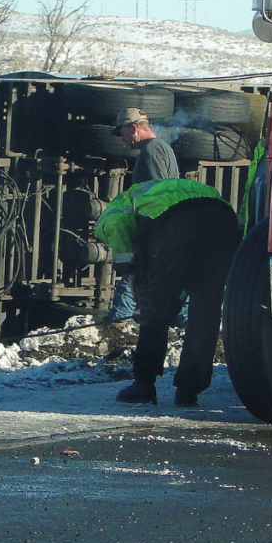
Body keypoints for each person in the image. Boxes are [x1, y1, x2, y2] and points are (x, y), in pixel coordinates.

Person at [95, 178, 240, 407]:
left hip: (176, 223)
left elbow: (127, 254)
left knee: (156, 307)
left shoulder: (111, 216)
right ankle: (189, 390)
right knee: (206, 310)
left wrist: (136, 282)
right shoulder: (154, 192)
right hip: (223, 222)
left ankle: (143, 385)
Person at [107, 108, 180, 325]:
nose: (123, 138)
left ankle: (119, 321)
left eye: (123, 132)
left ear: (133, 127)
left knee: (136, 270)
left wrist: (150, 231)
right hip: (167, 227)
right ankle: (185, 321)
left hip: (158, 228)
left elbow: (157, 196)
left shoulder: (151, 152)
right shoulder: (161, 148)